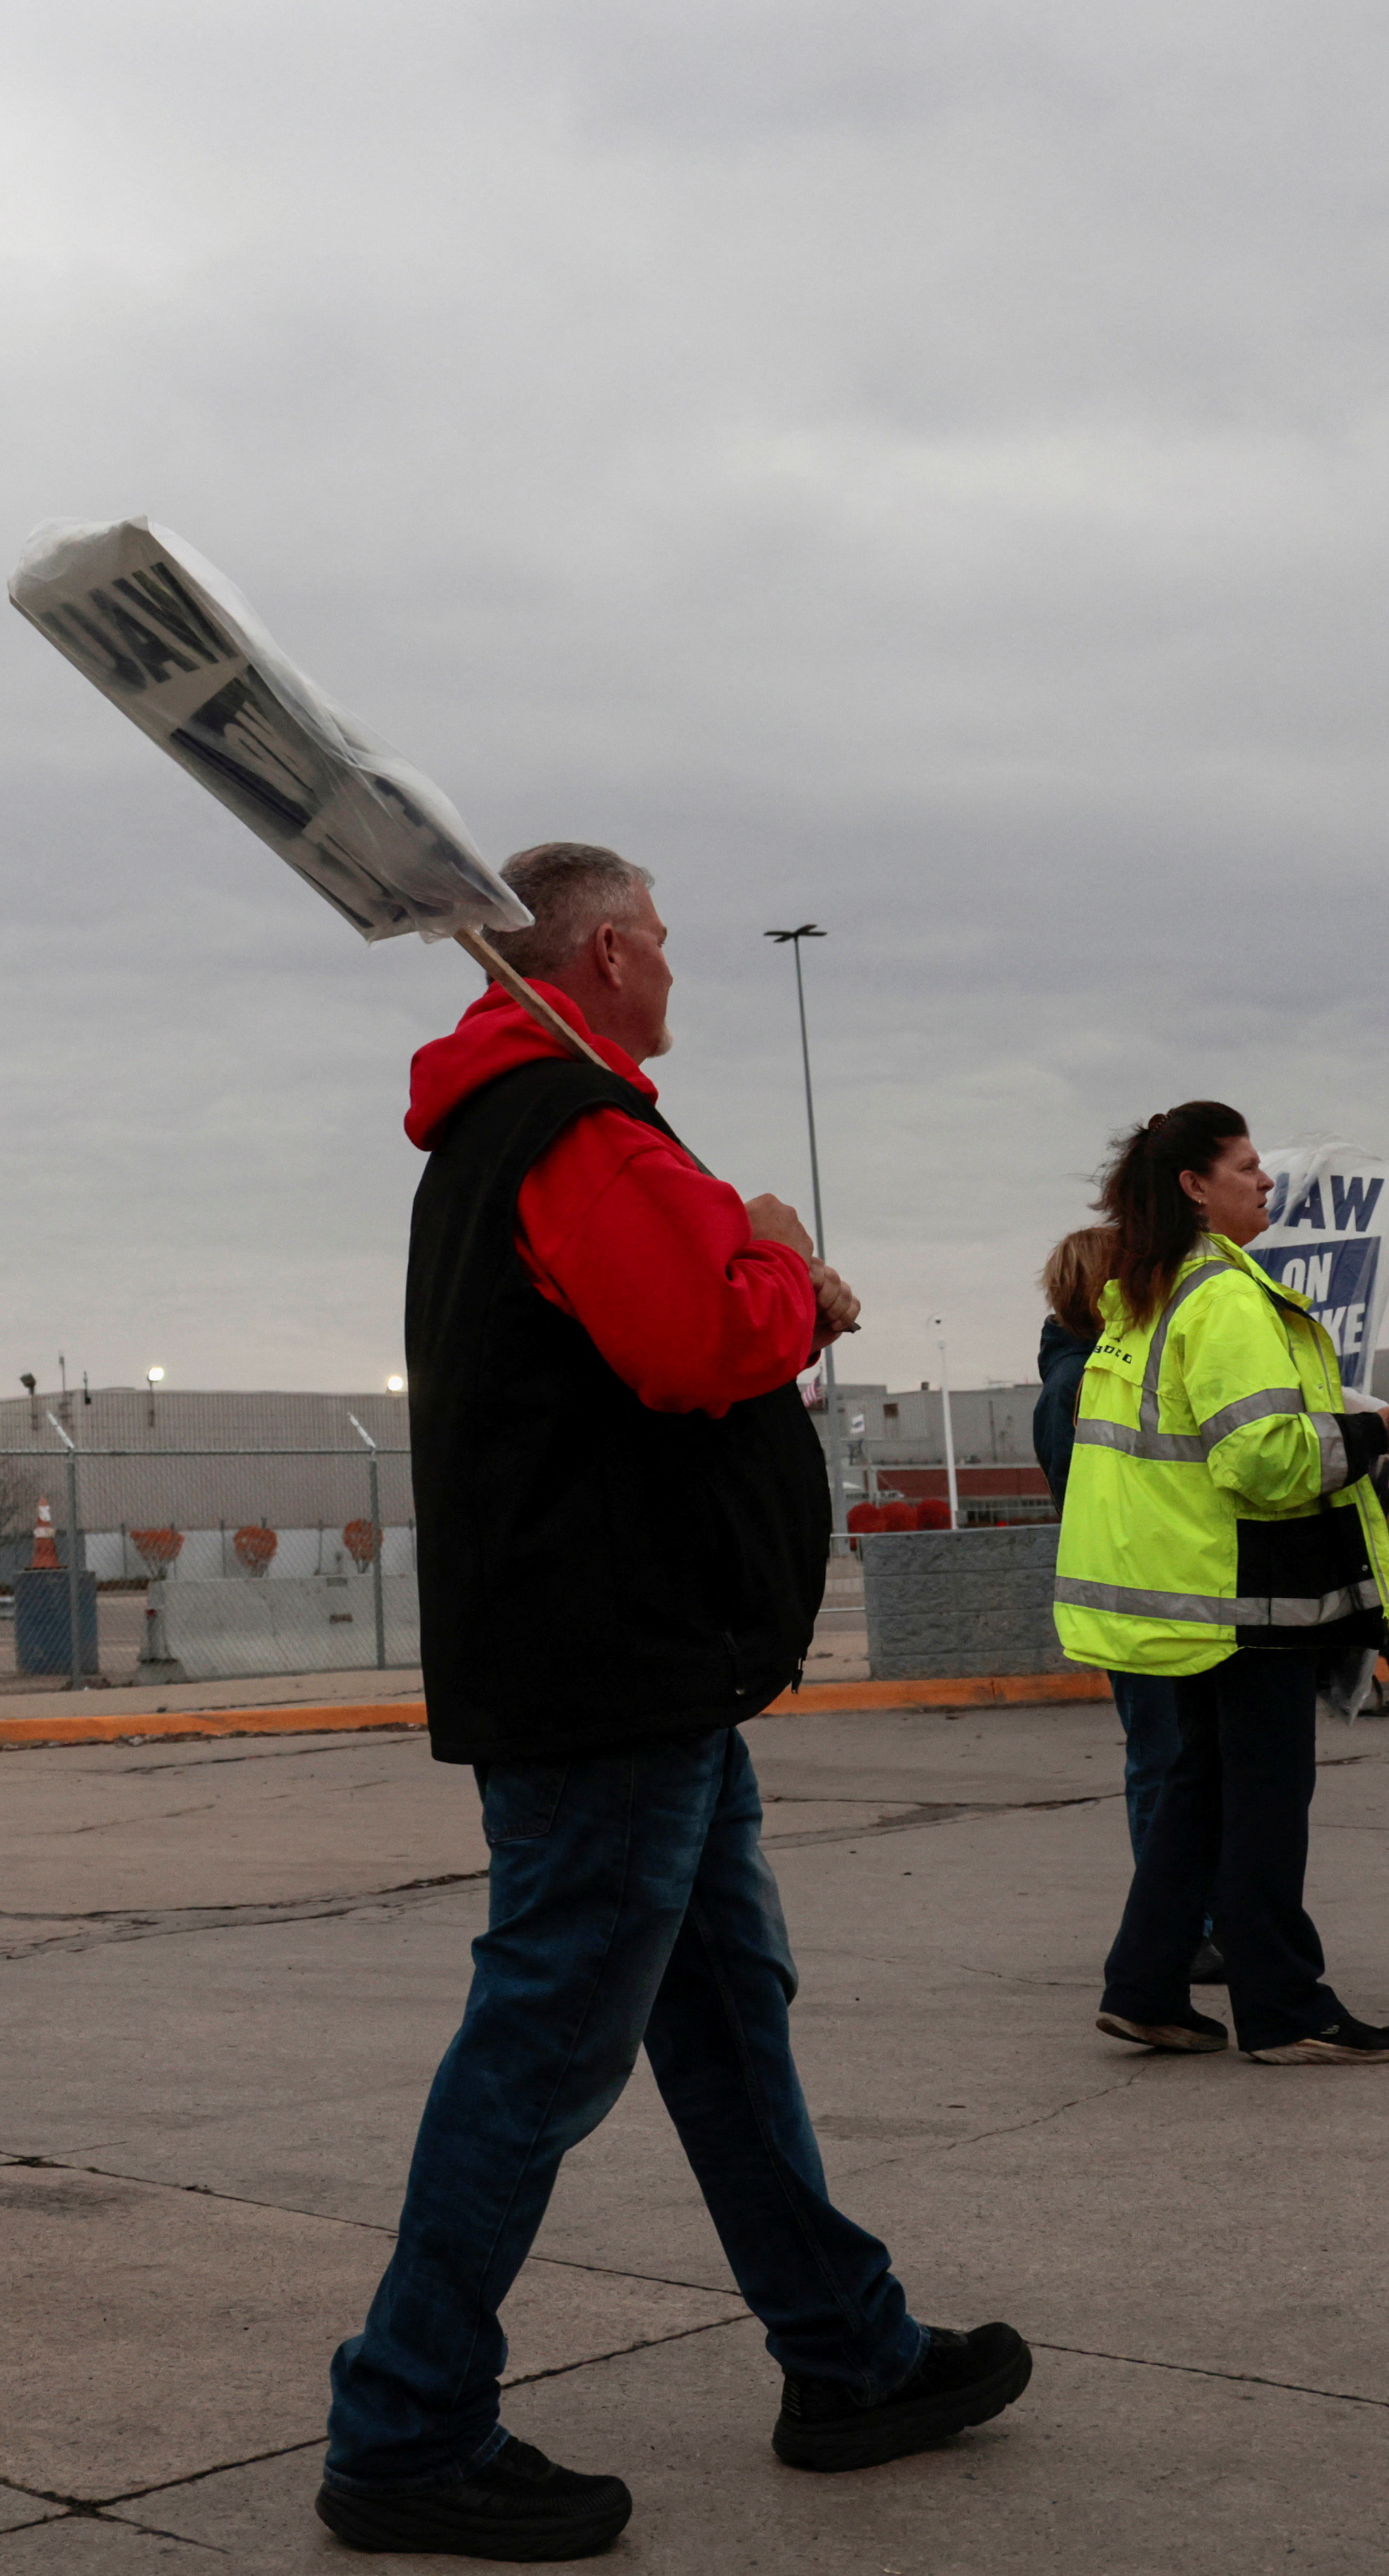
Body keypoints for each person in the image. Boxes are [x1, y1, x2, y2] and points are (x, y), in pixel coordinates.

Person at [322, 843, 1029, 2562]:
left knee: (720, 2014)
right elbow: (688, 1343)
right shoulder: (564, 1126)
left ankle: (847, 2354)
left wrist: (766, 1282)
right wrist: (788, 1274)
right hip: (610, 1670)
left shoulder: (553, 1120)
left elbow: (664, 1318)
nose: (678, 971)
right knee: (549, 2031)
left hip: (643, 1671)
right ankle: (405, 2421)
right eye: (666, 942)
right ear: (612, 947)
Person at [1055, 1104, 1389, 2066]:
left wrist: (1359, 1428)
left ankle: (1145, 1986)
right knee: (1264, 1796)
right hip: (1246, 1592)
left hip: (1186, 1589)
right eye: (1247, 1166)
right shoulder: (1222, 1296)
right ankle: (1285, 2008)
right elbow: (1260, 1460)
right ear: (1194, 1185)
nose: (1266, 1183)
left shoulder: (1148, 1295)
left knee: (1199, 1788)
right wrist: (1370, 1436)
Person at [1038, 1227, 1216, 1985]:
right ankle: (1178, 1929)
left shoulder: (1077, 1376)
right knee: (1164, 1765)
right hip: (1140, 1602)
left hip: (1150, 1599)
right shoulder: (1083, 1385)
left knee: (1176, 1764)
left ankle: (1188, 1922)